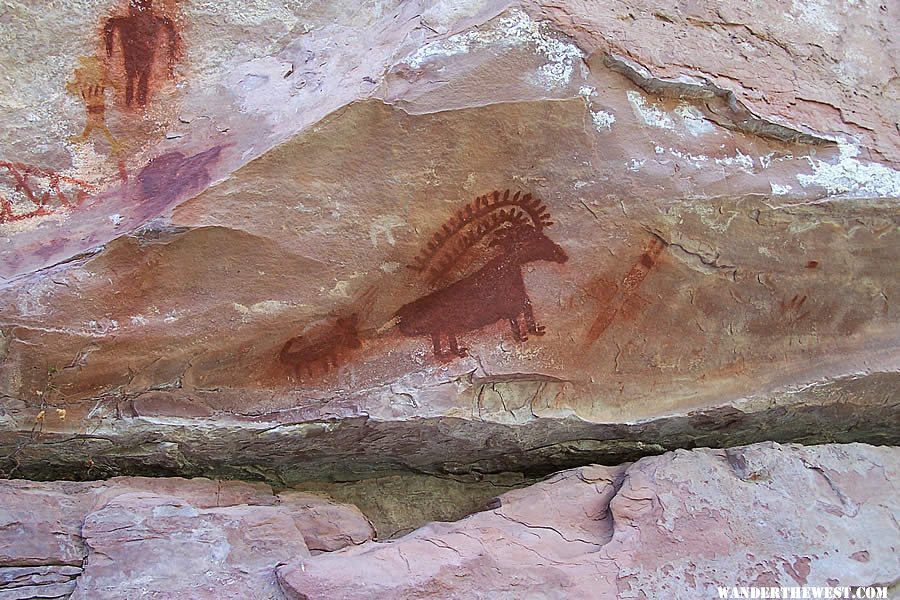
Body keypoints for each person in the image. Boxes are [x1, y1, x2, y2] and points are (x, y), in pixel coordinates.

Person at [104, 0, 179, 108]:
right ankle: (134, 105)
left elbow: (110, 25)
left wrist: (109, 49)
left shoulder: (123, 23)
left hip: (138, 42)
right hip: (138, 42)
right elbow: (170, 30)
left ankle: (135, 105)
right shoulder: (157, 22)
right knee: (137, 77)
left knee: (138, 77)